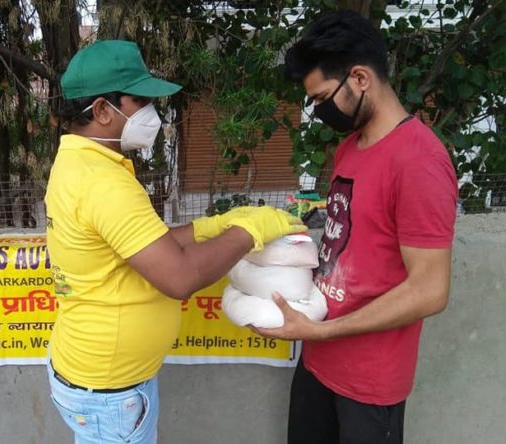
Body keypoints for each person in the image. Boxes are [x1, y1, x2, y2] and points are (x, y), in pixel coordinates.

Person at [44, 39, 306, 444]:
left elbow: (142, 243)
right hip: (109, 391)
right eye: (140, 101)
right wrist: (249, 231)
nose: (152, 112)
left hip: (100, 379)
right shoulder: (102, 182)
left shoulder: (80, 164)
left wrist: (213, 227)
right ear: (101, 110)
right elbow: (180, 277)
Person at [250, 10, 458, 444]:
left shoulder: (419, 161)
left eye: (323, 97)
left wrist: (322, 331)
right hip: (317, 361)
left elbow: (429, 290)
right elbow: (348, 243)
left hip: (369, 381)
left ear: (360, 78)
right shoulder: (351, 147)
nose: (319, 109)